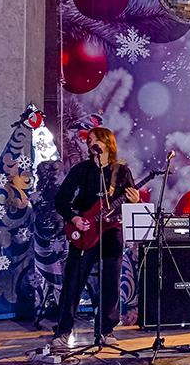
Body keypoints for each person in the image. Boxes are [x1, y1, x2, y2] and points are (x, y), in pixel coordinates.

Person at [52, 127, 139, 350]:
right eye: (89, 140)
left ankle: (106, 330)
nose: (91, 143)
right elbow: (60, 200)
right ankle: (63, 331)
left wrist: (135, 200)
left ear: (107, 143)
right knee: (73, 282)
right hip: (84, 231)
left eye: (96, 140)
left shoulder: (121, 171)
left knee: (111, 282)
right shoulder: (81, 170)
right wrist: (75, 218)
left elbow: (129, 204)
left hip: (111, 231)